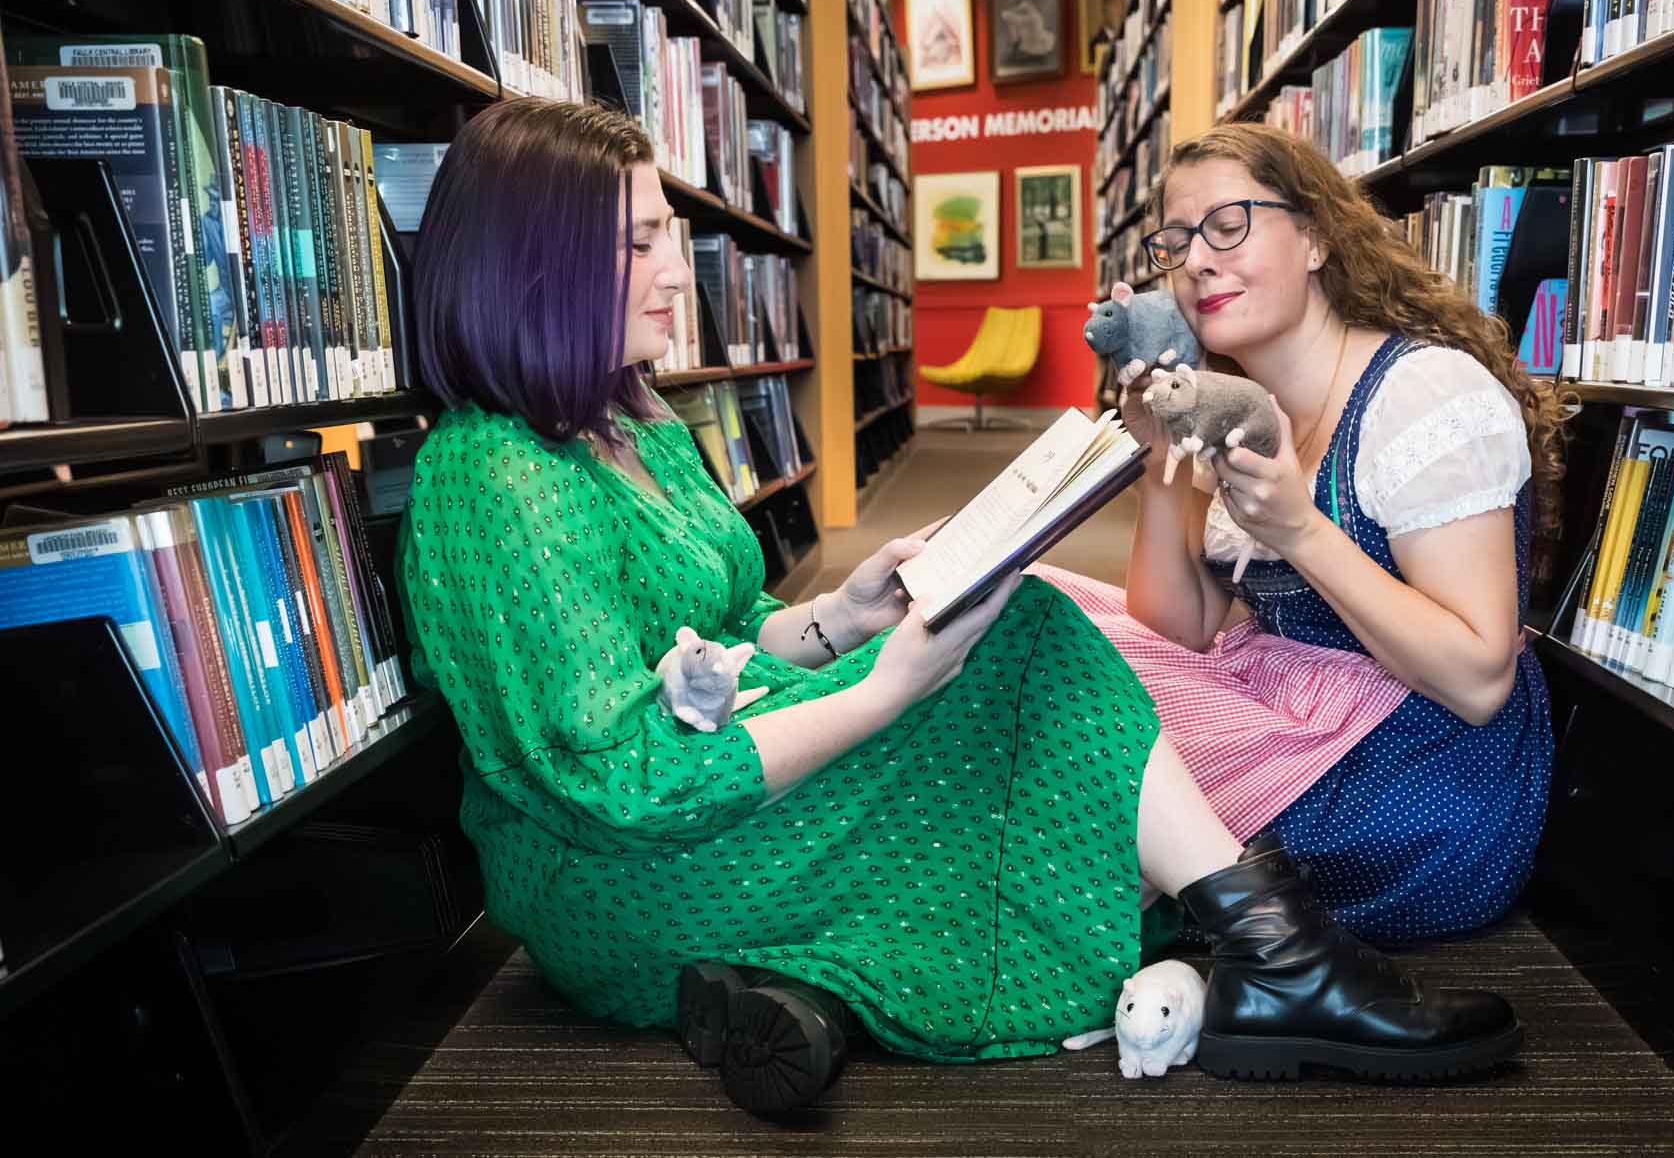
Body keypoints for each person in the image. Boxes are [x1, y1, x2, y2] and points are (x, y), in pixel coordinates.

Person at [396, 98, 1525, 1114]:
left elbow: (733, 635)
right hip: (621, 867)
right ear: (535, 259)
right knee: (1011, 691)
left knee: (1008, 695)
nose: (677, 270)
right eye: (636, 241)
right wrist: (885, 685)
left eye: (668, 236)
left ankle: (828, 993)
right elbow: (619, 784)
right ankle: (1275, 961)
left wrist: (842, 611)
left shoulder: (633, 422)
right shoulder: (493, 482)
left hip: (712, 789)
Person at [1039, 122, 1566, 944]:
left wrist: (1299, 529)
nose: (1197, 261)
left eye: (1228, 225)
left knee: (1069, 737)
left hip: (1421, 774)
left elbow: (1477, 679)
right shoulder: (1238, 405)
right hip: (1291, 712)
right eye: (1176, 243)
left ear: (1317, 236)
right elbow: (1176, 629)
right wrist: (1159, 460)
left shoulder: (1422, 395)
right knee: (1034, 616)